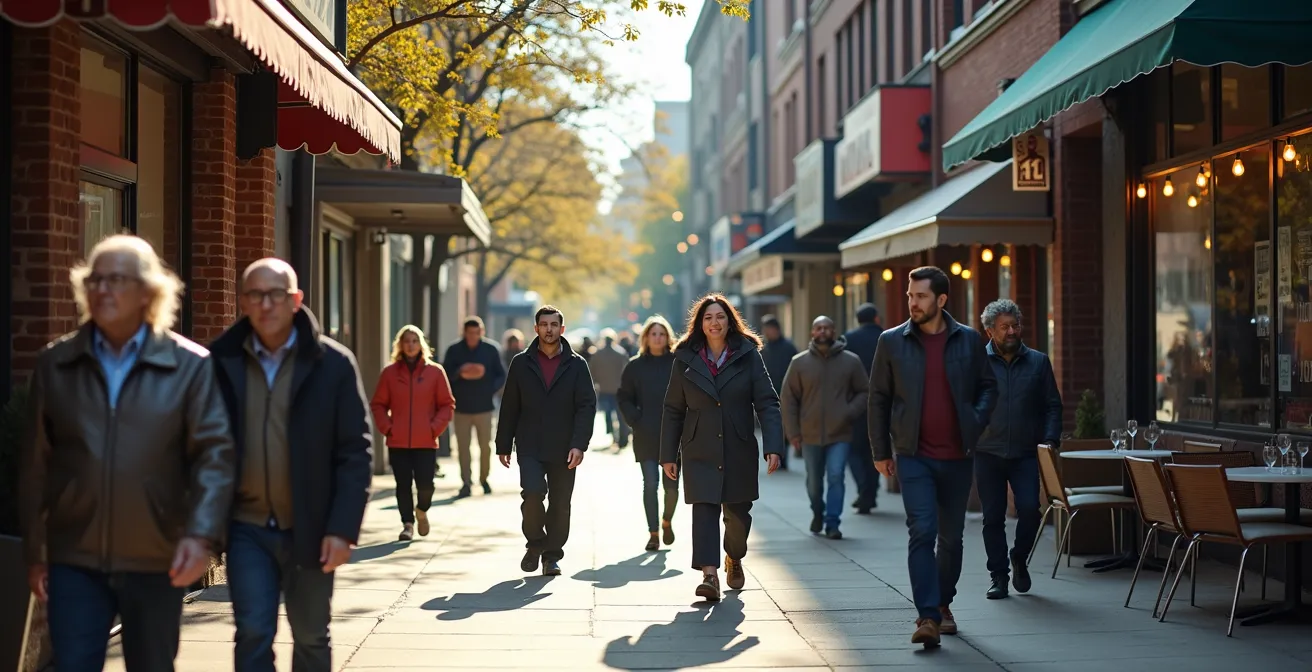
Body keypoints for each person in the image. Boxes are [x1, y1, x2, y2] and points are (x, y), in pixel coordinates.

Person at [20, 235, 235, 672]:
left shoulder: (191, 366)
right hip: (74, 556)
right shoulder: (55, 364)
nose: (101, 289)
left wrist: (200, 538)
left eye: (115, 280)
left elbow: (215, 460)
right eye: (95, 279)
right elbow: (36, 466)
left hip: (158, 557)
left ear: (148, 292)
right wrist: (36, 550)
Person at [211, 258, 373, 672]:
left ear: (296, 300)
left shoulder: (333, 364)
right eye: (255, 295)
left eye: (277, 294)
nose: (266, 304)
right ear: (243, 301)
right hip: (246, 528)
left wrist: (341, 529)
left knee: (312, 635)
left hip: (313, 527)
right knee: (252, 633)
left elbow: (355, 451)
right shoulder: (219, 362)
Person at [868, 266, 997, 648]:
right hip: (913, 455)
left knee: (952, 538)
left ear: (941, 300)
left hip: (958, 456)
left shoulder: (969, 341)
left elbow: (988, 387)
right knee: (921, 531)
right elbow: (878, 399)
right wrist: (880, 451)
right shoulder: (891, 342)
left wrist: (974, 421)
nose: (913, 303)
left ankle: (943, 603)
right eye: (910, 296)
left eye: (921, 296)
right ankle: (927, 615)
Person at [661, 294, 783, 601]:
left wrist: (773, 446)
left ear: (730, 322)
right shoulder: (684, 358)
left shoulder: (748, 355)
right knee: (703, 511)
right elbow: (673, 408)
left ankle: (734, 556)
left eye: (720, 317)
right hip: (698, 447)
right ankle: (709, 576)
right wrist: (668, 455)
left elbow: (767, 401)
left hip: (738, 446)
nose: (714, 323)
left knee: (738, 517)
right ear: (699, 324)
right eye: (708, 318)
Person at [496, 305, 597, 576]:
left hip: (565, 447)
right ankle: (535, 542)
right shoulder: (521, 363)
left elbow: (586, 406)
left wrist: (579, 444)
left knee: (560, 503)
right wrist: (503, 444)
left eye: (554, 324)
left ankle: (551, 556)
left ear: (562, 329)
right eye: (544, 324)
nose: (549, 329)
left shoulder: (577, 365)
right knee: (532, 494)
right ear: (536, 328)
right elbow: (510, 406)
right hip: (529, 444)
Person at [975, 300, 1062, 600]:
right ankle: (998, 575)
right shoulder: (977, 363)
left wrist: (1050, 440)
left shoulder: (1038, 362)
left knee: (1030, 510)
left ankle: (1019, 557)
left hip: (1025, 452)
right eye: (1004, 327)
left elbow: (1052, 405)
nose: (1012, 331)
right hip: (986, 451)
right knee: (993, 517)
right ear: (989, 331)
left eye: (1016, 325)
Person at [781, 316, 868, 540]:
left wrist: (848, 412)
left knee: (836, 476)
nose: (823, 331)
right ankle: (817, 512)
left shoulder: (851, 361)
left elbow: (864, 392)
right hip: (809, 434)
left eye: (827, 328)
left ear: (834, 331)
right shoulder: (799, 363)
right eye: (818, 328)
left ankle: (832, 523)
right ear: (812, 332)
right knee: (813, 482)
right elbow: (788, 400)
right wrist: (792, 433)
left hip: (840, 432)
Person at [370, 325, 456, 541]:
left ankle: (422, 510)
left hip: (426, 440)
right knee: (403, 485)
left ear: (421, 344)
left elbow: (447, 405)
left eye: (415, 341)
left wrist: (434, 428)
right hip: (397, 441)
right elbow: (378, 404)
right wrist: (388, 428)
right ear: (400, 345)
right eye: (406, 341)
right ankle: (407, 524)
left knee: (426, 485)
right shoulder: (389, 373)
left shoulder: (435, 372)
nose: (410, 345)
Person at [617, 315, 681, 551]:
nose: (657, 338)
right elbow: (623, 396)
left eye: (662, 334)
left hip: (673, 435)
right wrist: (635, 419)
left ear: (668, 337)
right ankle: (653, 532)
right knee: (650, 484)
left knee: (672, 487)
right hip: (645, 433)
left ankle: (667, 521)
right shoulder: (635, 365)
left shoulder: (677, 363)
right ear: (646, 337)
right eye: (653, 333)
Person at [443, 316, 506, 498]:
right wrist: (460, 372)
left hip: (484, 406)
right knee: (463, 447)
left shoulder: (491, 350)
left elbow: (501, 375)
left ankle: (484, 479)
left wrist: (490, 390)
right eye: (470, 333)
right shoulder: (454, 350)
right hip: (461, 406)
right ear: (464, 333)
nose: (473, 336)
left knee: (485, 446)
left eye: (476, 333)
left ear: (482, 332)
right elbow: (445, 374)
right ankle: (465, 482)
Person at [843, 303, 884, 513]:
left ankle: (863, 491)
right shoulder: (886, 337)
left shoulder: (849, 339)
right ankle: (871, 492)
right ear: (876, 319)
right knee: (875, 450)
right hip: (882, 402)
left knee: (855, 451)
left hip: (857, 403)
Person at [760, 315, 798, 470]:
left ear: (776, 329)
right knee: (772, 426)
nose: (766, 332)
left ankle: (783, 458)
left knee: (785, 426)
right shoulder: (763, 349)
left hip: (786, 393)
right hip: (767, 394)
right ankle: (775, 456)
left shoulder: (788, 348)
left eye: (768, 329)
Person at [590, 327, 631, 450]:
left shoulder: (597, 354)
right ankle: (622, 438)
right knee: (620, 415)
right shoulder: (620, 353)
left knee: (608, 415)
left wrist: (597, 382)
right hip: (618, 389)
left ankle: (614, 436)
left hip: (604, 389)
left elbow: (592, 371)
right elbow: (627, 370)